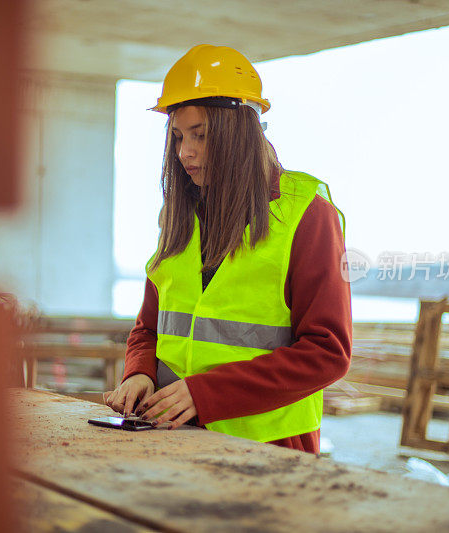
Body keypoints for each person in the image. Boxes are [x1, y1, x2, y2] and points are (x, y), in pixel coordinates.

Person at [103, 44, 352, 453]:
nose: (184, 152)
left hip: (271, 449)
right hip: (170, 439)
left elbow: (328, 351)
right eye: (179, 136)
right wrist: (139, 374)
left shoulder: (307, 215)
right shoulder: (178, 217)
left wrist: (206, 394)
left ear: (239, 131)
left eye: (200, 135)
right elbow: (149, 328)